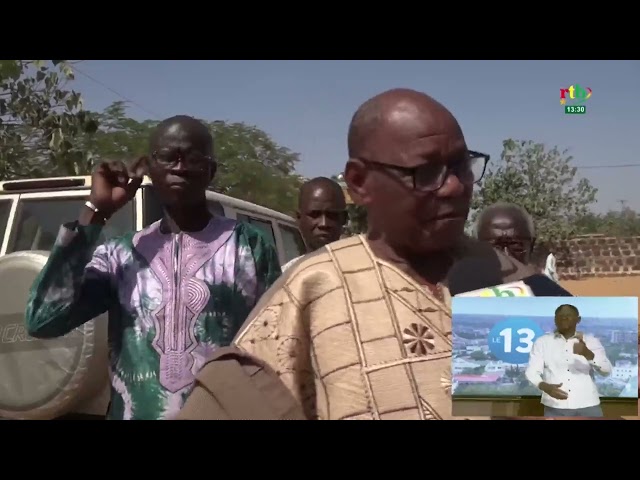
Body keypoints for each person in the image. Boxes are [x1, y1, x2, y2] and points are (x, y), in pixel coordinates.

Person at [177, 88, 538, 420]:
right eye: (426, 172)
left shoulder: (506, 276)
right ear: (359, 182)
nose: (455, 187)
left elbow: (570, 402)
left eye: (461, 166)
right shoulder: (313, 288)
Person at [25, 115, 281, 420]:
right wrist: (97, 211)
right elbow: (43, 320)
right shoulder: (120, 255)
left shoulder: (248, 246)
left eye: (194, 158)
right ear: (148, 168)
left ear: (210, 171)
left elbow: (276, 350)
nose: (180, 166)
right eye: (168, 157)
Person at [525, 304, 612, 418]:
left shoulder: (591, 341)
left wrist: (587, 354)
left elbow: (606, 371)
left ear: (578, 319)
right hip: (555, 406)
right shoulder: (542, 342)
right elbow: (531, 371)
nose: (564, 318)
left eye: (568, 315)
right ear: (555, 319)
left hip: (588, 405)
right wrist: (544, 386)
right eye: (560, 315)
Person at [281, 177, 347, 271]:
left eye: (332, 215)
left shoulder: (366, 273)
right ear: (299, 218)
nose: (323, 224)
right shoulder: (285, 277)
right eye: (314, 215)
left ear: (344, 218)